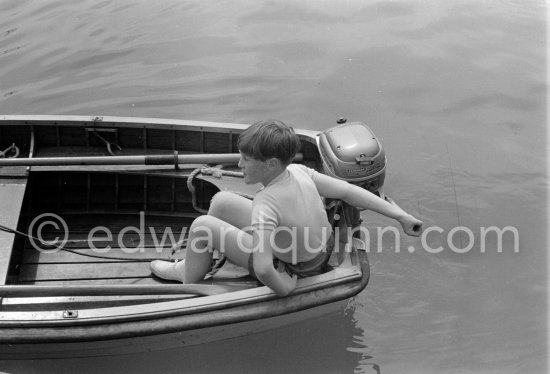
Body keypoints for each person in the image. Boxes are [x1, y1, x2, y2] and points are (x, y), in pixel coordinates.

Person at [150, 119, 423, 296]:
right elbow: (351, 191)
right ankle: (205, 257)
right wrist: (400, 215)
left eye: (246, 159)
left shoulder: (265, 205)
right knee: (221, 201)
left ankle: (187, 275)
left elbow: (266, 269)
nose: (240, 164)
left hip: (296, 268)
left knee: (202, 227)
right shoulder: (299, 171)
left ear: (270, 164)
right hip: (319, 251)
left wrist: (285, 289)